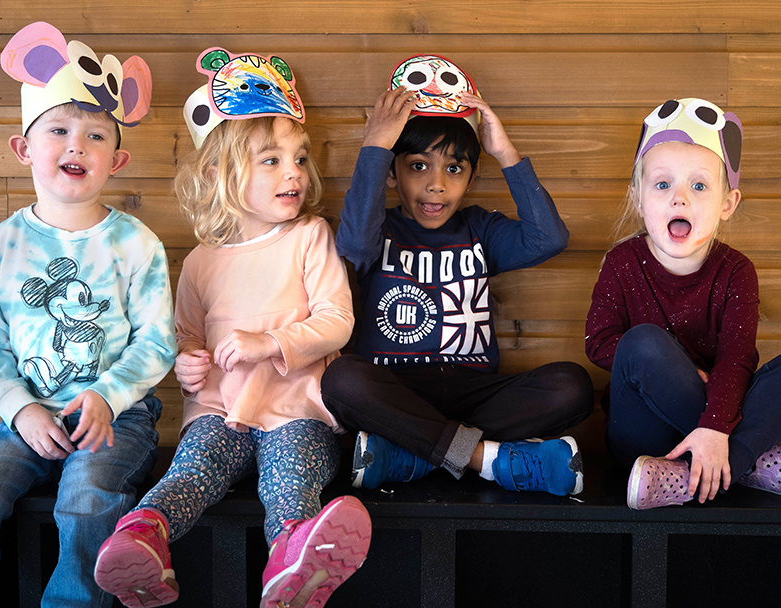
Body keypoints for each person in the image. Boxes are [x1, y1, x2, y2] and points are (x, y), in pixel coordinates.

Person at [94, 49, 371, 608]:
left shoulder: (310, 236)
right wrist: (188, 364)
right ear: (220, 173)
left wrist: (268, 343)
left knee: (291, 475)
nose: (293, 172)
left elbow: (338, 321)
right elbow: (187, 340)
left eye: (299, 157)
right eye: (271, 159)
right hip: (221, 412)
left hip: (299, 409)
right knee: (193, 467)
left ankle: (292, 559)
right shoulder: (200, 261)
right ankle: (143, 536)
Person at [321, 54, 594, 496]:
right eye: (417, 166)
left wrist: (505, 152)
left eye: (454, 168)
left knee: (572, 386)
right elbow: (352, 247)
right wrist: (374, 147)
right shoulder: (379, 230)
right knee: (341, 379)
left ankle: (411, 455)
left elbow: (548, 239)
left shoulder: (480, 229)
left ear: (470, 176)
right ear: (392, 173)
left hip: (474, 392)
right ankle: (485, 459)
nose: (436, 185)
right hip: (398, 390)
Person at [0, 21, 175, 607]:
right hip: (24, 415)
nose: (76, 145)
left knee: (85, 500)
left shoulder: (136, 244)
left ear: (118, 159)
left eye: (95, 136)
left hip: (117, 417)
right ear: (23, 148)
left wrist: (108, 396)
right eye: (58, 130)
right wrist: (19, 409)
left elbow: (157, 340)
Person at [585, 97, 781, 510]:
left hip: (719, 422)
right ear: (639, 198)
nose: (680, 199)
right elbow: (599, 342)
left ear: (726, 205)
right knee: (642, 344)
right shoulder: (622, 263)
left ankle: (704, 472)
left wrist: (714, 426)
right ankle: (749, 461)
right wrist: (680, 371)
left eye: (698, 185)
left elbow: (736, 359)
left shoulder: (736, 271)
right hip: (645, 433)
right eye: (662, 184)